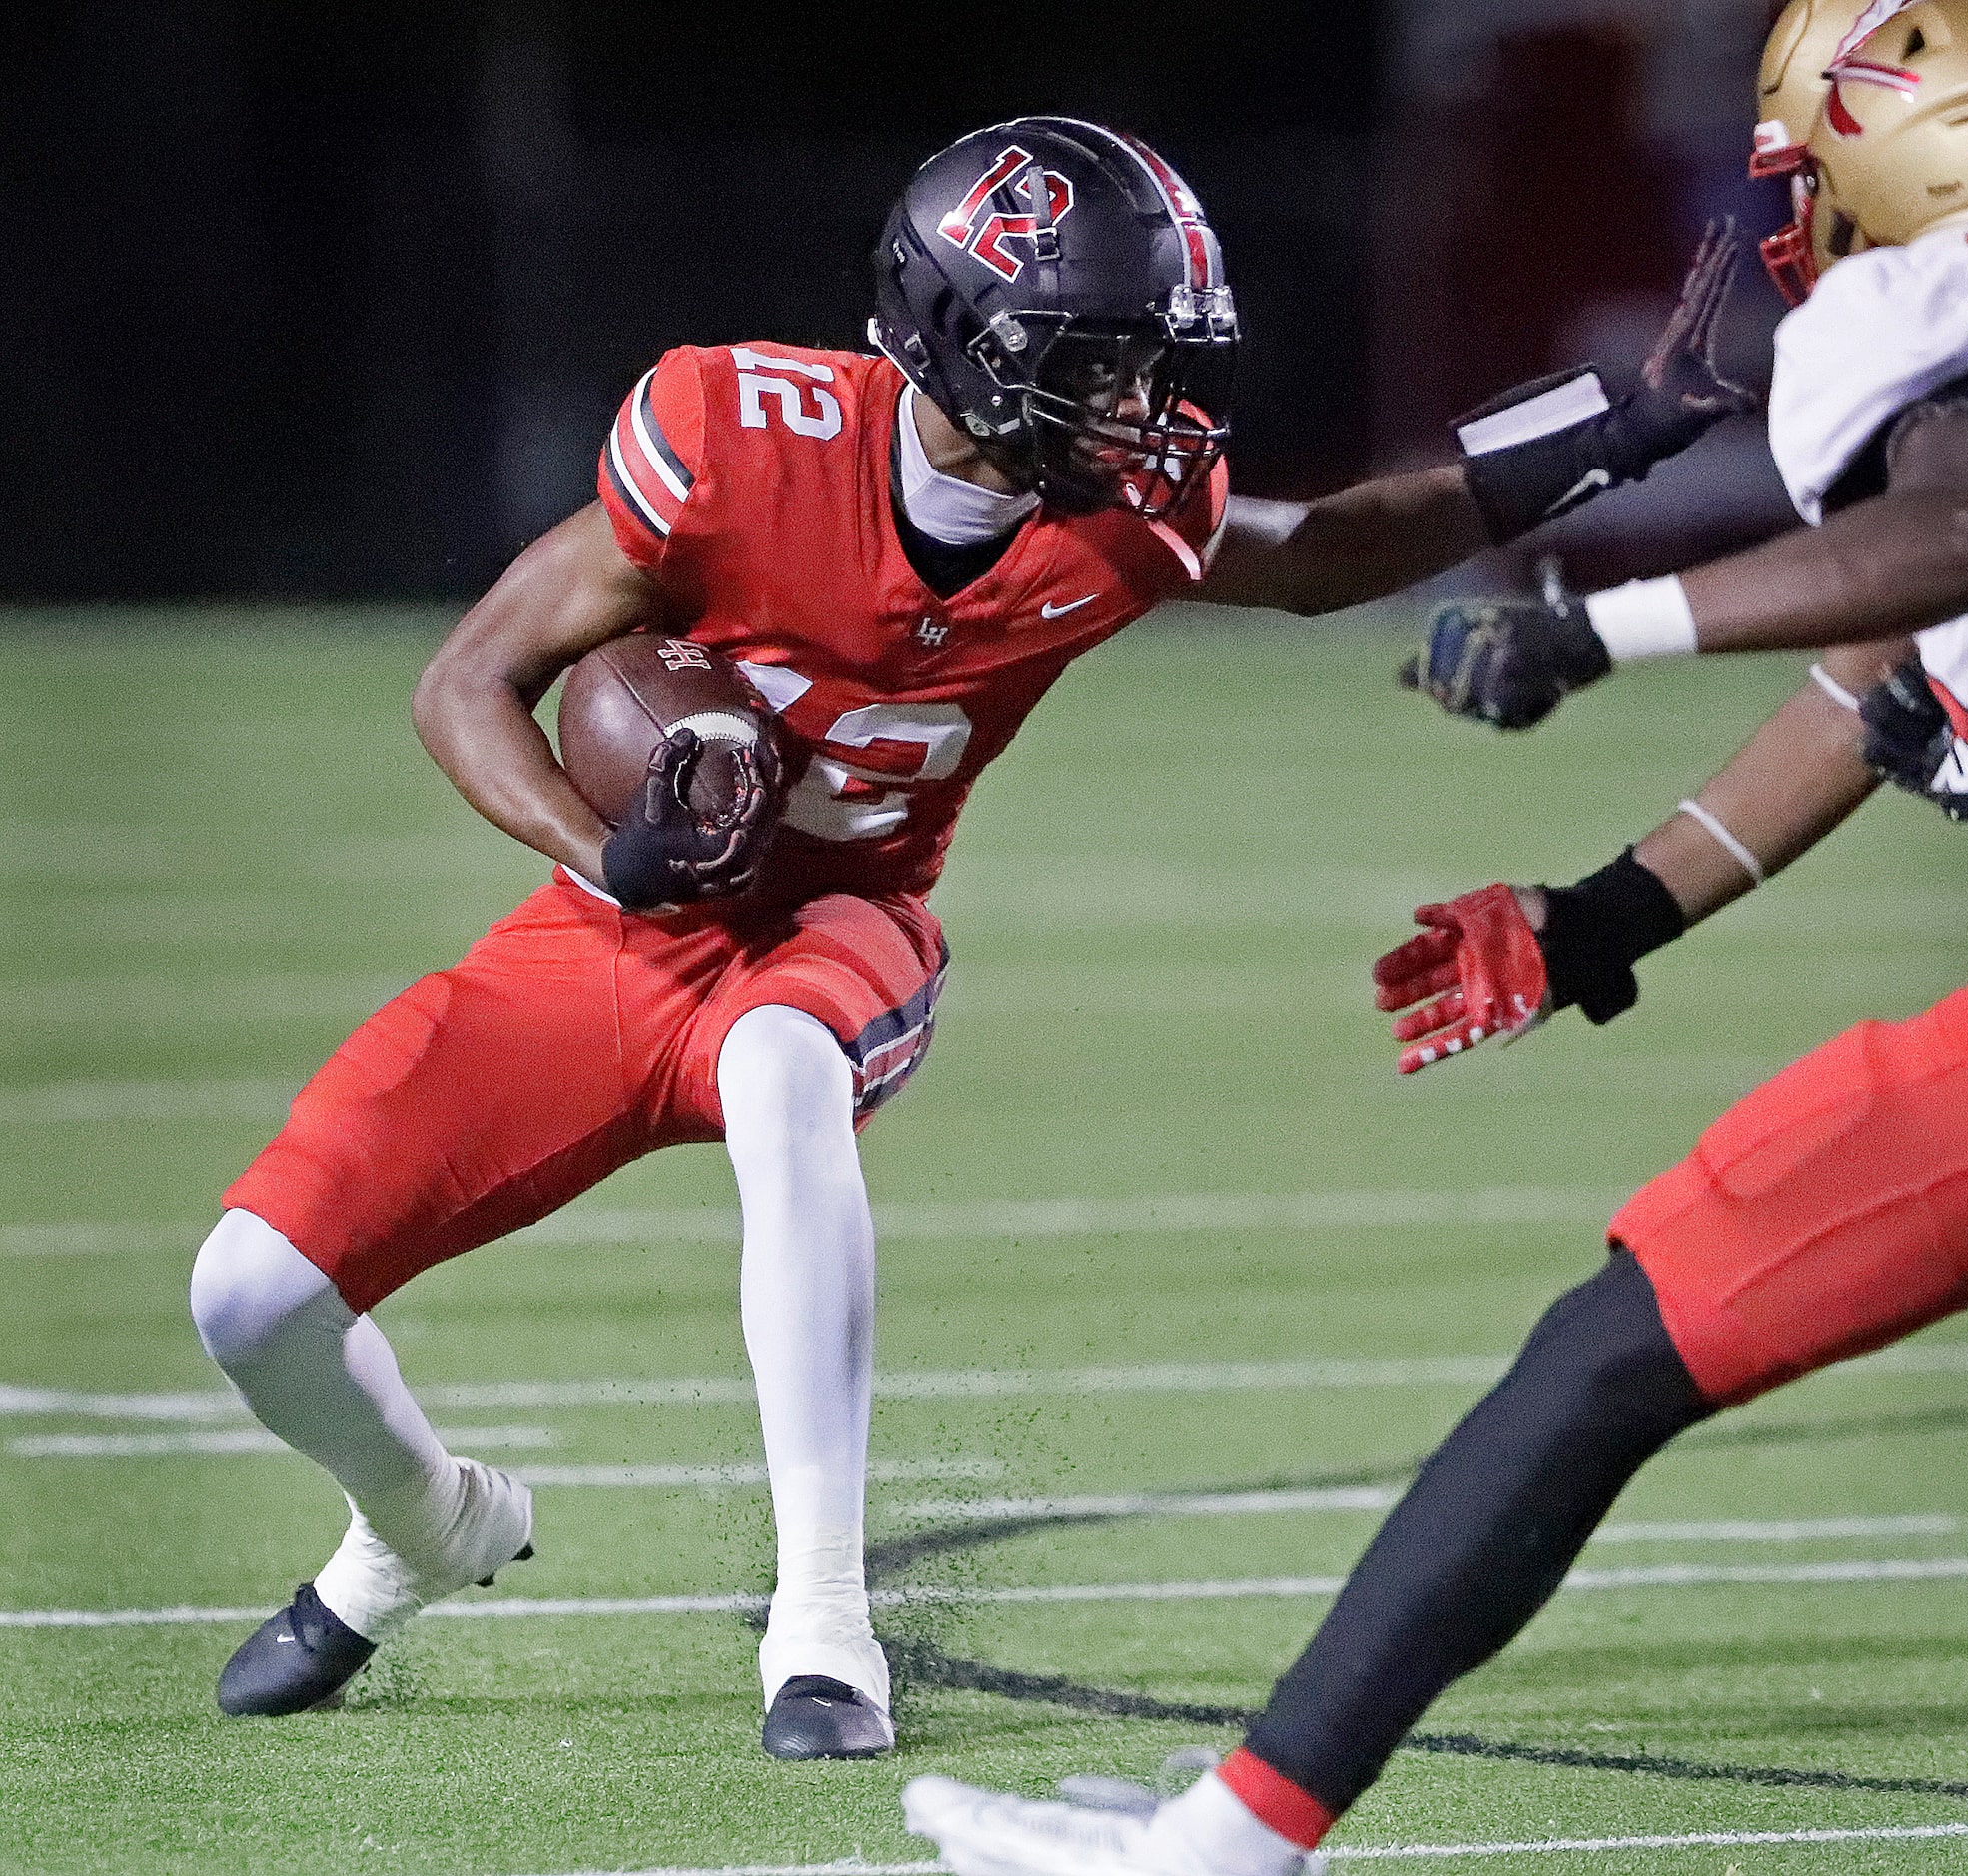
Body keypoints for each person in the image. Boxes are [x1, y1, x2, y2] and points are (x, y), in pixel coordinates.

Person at [186, 116, 1753, 1757]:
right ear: (962, 342)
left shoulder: (1118, 519)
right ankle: (422, 1523)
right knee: (249, 1291)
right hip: (613, 933)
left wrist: (1615, 429)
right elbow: (465, 680)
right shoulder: (731, 440)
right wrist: (610, 856)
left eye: (1154, 360)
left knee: (787, 1069)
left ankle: (821, 1627)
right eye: (1103, 363)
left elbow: (1322, 555)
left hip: (851, 925)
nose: (1146, 404)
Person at [903, 4, 1968, 1870]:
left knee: (1611, 1345)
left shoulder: (1930, 319)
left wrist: (1605, 626)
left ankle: (1225, 1839)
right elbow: (1879, 683)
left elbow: (1956, 546)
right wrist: (1607, 914)